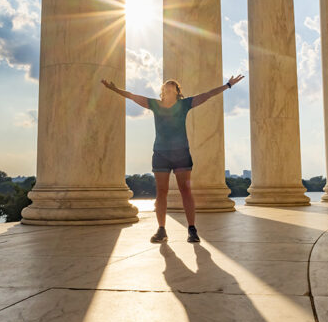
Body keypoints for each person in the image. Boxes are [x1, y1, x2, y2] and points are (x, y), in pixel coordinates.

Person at [100, 75, 245, 243]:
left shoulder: (184, 105)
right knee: (161, 192)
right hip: (161, 154)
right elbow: (133, 96)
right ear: (163, 91)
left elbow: (208, 94)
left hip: (181, 153)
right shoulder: (155, 104)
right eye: (166, 87)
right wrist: (115, 89)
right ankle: (161, 230)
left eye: (172, 86)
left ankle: (192, 229)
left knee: (185, 191)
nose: (168, 88)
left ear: (177, 91)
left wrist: (228, 85)